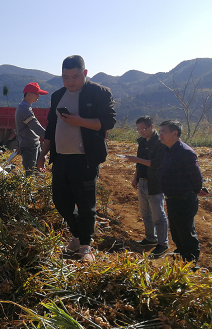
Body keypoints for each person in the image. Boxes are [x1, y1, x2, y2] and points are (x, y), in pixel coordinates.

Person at [36, 55, 116, 260]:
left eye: (75, 77)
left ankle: (85, 247)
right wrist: (42, 154)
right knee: (61, 201)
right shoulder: (57, 96)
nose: (70, 82)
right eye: (65, 78)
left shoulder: (99, 93)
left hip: (85, 158)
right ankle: (78, 236)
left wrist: (80, 121)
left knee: (85, 203)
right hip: (61, 157)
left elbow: (108, 122)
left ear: (85, 73)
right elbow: (51, 127)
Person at [158, 120, 206, 265]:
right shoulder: (169, 151)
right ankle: (182, 256)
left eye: (163, 132)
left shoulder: (185, 152)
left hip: (184, 199)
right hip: (172, 198)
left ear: (175, 133)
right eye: (159, 132)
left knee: (186, 232)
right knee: (177, 231)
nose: (160, 135)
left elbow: (196, 176)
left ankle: (191, 263)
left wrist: (198, 189)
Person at [124, 116, 168, 257]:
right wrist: (135, 177)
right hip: (142, 180)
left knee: (158, 214)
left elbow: (157, 163)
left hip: (155, 182)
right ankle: (150, 238)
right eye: (138, 129)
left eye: (143, 128)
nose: (141, 132)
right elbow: (140, 163)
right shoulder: (142, 142)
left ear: (151, 127)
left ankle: (163, 243)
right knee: (145, 213)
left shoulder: (160, 142)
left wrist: (136, 160)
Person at [9, 82, 48, 176]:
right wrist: (49, 137)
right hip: (29, 146)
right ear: (29, 94)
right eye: (36, 94)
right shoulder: (24, 110)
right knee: (30, 174)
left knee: (38, 172)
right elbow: (36, 127)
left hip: (33, 144)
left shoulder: (24, 107)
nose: (38, 96)